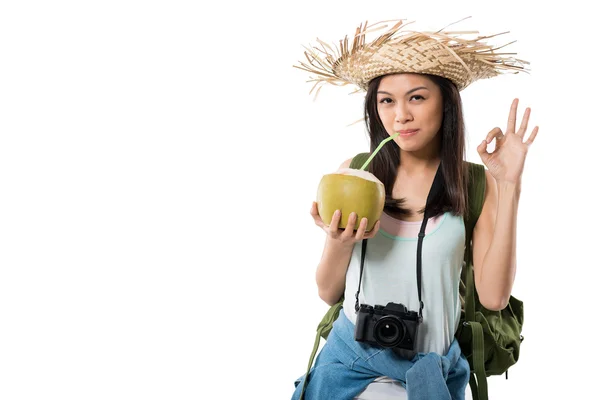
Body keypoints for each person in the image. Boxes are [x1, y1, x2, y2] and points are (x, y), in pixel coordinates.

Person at [291, 18, 539, 400]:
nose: (400, 115)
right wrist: (338, 241)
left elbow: (493, 297)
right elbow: (327, 291)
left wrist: (510, 185)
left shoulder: (473, 183)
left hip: (431, 374)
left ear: (446, 102)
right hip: (347, 368)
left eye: (417, 97)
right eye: (386, 100)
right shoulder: (358, 172)